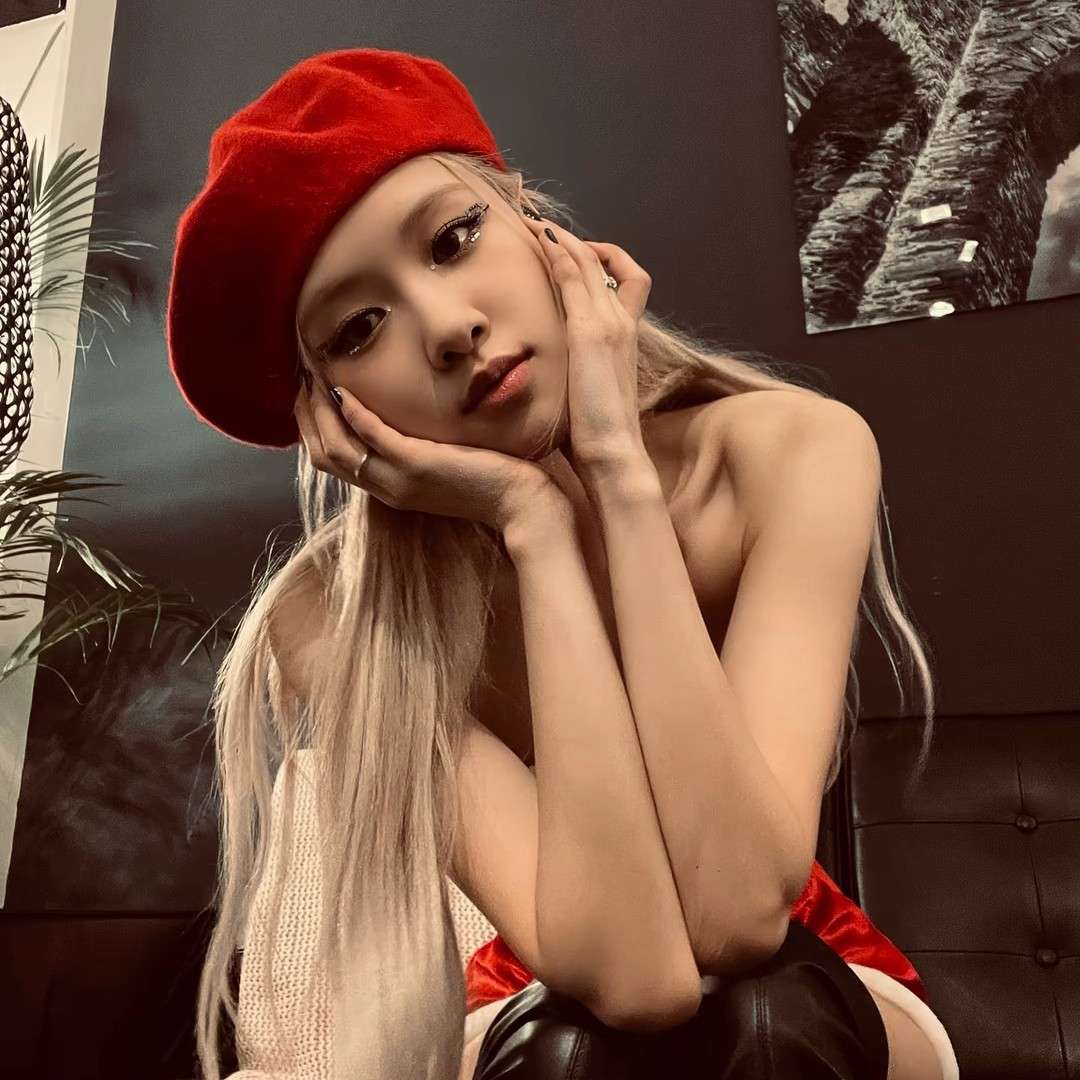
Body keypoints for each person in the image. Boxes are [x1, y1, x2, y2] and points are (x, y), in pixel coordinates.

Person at [165, 47, 959, 1080]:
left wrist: (617, 471)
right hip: (559, 987)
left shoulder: (791, 452)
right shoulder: (328, 617)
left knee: (765, 1020)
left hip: (815, 976)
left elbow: (735, 919)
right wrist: (532, 524)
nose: (449, 328)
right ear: (328, 411)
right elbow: (636, 977)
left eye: (454, 239)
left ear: (533, 221)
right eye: (360, 329)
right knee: (573, 1050)